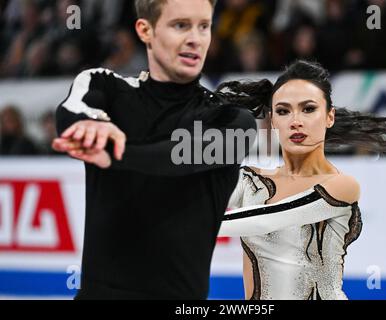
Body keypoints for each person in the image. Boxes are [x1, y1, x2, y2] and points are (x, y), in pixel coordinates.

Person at [52, 0, 256, 300]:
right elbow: (72, 111)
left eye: (204, 26)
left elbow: (178, 155)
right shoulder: (105, 86)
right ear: (145, 30)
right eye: (180, 25)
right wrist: (91, 127)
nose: (195, 38)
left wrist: (114, 152)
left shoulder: (232, 119)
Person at [215, 60, 386, 300]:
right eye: (284, 111)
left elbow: (265, 222)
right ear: (273, 121)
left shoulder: (341, 185)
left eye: (308, 109)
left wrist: (201, 223)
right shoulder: (250, 181)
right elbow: (190, 202)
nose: (296, 121)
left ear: (329, 117)